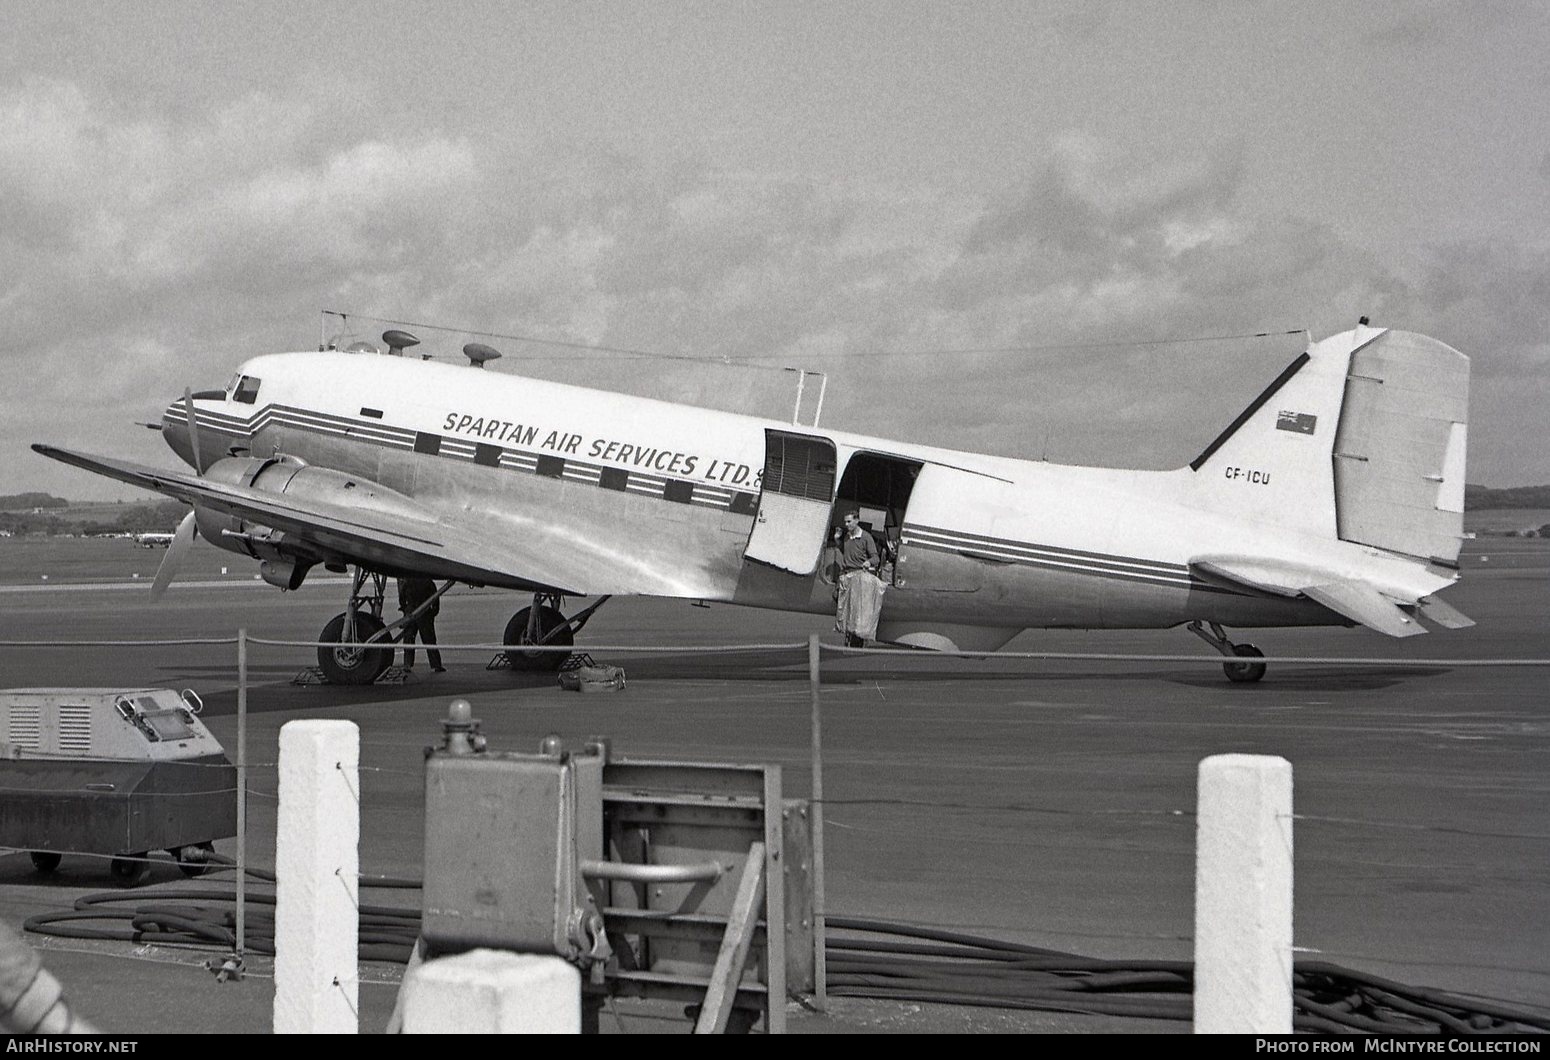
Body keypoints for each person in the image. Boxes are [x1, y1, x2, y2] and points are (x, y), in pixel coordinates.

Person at [834, 510, 884, 648]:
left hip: (858, 577)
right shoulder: (847, 537)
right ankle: (849, 639)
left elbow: (876, 558)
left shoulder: (866, 537)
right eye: (845, 522)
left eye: (849, 521)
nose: (846, 524)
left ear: (857, 521)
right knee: (843, 605)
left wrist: (868, 562)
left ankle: (857, 643)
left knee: (856, 611)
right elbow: (846, 552)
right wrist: (838, 539)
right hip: (846, 575)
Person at [397, 576, 444, 672]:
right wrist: (433, 612)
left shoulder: (408, 581)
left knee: (409, 639)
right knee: (429, 640)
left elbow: (402, 598)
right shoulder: (428, 582)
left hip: (411, 612)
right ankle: (436, 665)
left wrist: (405, 609)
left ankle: (407, 664)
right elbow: (435, 599)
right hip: (424, 613)